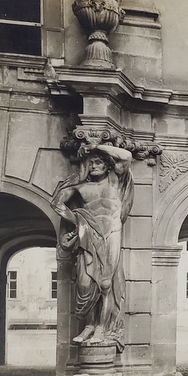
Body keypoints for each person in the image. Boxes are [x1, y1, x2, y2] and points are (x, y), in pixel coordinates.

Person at [51, 143, 134, 351]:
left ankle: (101, 328)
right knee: (85, 283)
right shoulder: (82, 188)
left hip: (112, 234)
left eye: (98, 163)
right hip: (90, 235)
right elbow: (57, 203)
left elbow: (126, 156)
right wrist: (78, 220)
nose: (94, 166)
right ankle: (89, 325)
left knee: (106, 284)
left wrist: (96, 146)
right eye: (91, 163)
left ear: (107, 167)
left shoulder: (115, 181)